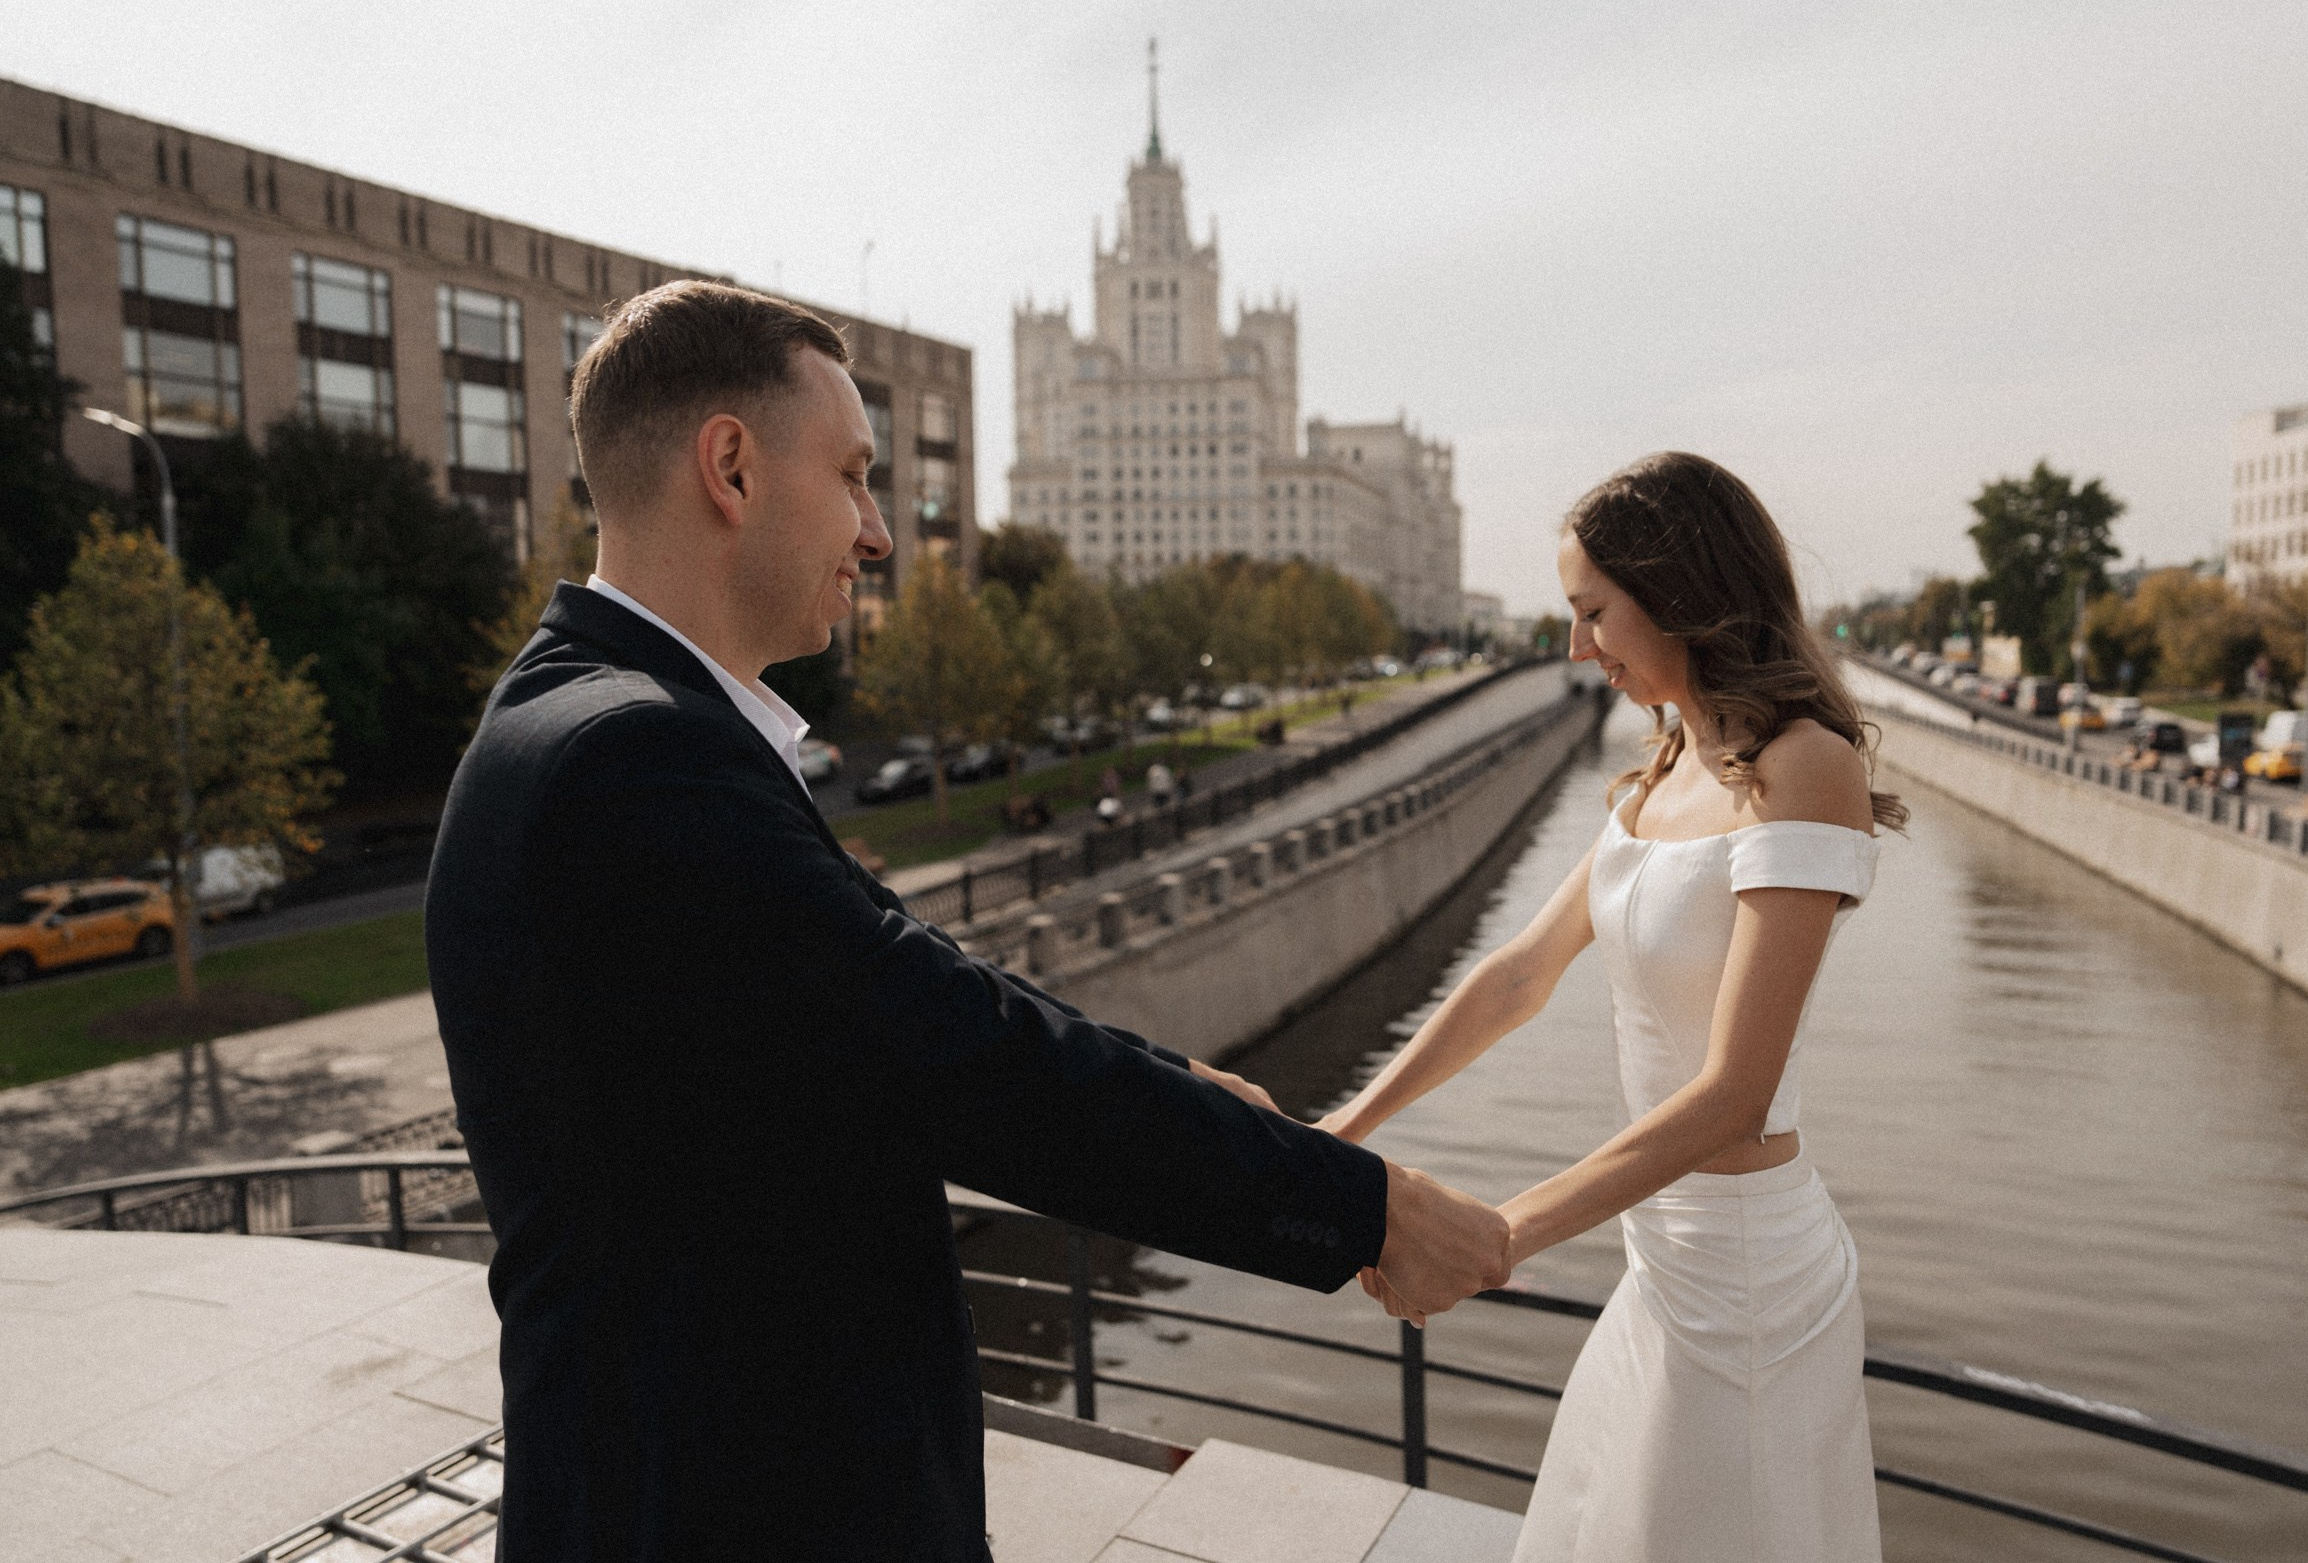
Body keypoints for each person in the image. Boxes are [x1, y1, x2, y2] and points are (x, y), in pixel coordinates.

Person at [424, 282, 1509, 1562]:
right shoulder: (637, 756)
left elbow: (884, 990)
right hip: (736, 1507)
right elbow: (960, 1053)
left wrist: (1187, 1092)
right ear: (730, 466)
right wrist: (1364, 1207)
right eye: (851, 474)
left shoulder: (581, 709)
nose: (879, 532)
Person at [1318, 452, 1903, 1562]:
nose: (1577, 648)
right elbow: (1518, 978)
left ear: (1680, 590)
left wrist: (1500, 1237)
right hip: (1663, 1261)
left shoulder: (1803, 767)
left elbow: (1733, 1095)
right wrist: (1341, 1128)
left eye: (1594, 612)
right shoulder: (1668, 764)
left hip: (1748, 1283)